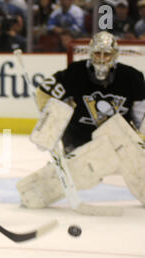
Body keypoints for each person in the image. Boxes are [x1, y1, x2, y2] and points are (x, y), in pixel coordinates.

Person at [16, 31, 145, 209]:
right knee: (82, 171)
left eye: (106, 54)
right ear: (90, 53)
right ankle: (35, 192)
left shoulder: (132, 78)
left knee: (134, 154)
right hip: (78, 140)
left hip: (117, 142)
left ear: (114, 55)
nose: (101, 59)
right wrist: (52, 121)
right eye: (97, 53)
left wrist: (140, 138)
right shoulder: (75, 73)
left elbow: (142, 113)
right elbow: (44, 92)